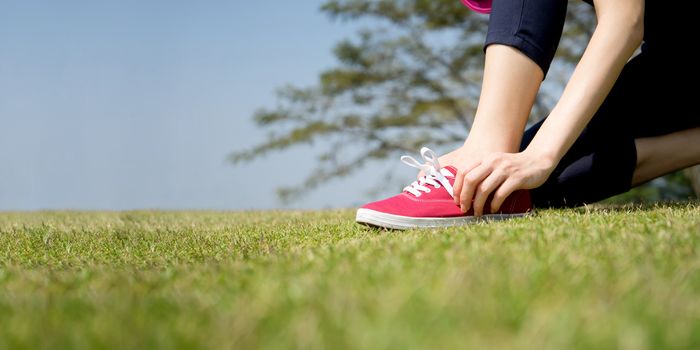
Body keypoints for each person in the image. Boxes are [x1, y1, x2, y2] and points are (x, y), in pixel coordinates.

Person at [356, 0, 700, 229]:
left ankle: (484, 147)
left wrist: (539, 155)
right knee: (505, 187)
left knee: (521, 168)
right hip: (678, 68)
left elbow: (625, 20)